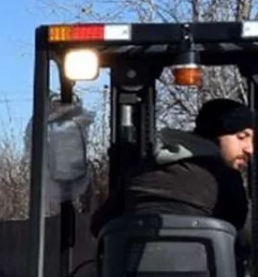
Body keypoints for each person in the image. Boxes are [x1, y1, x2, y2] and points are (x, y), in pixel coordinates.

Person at [91, 98, 253, 237]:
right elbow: (243, 238)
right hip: (201, 270)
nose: (249, 149)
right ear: (214, 136)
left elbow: (99, 226)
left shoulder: (141, 171)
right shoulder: (225, 178)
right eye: (242, 137)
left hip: (131, 271)